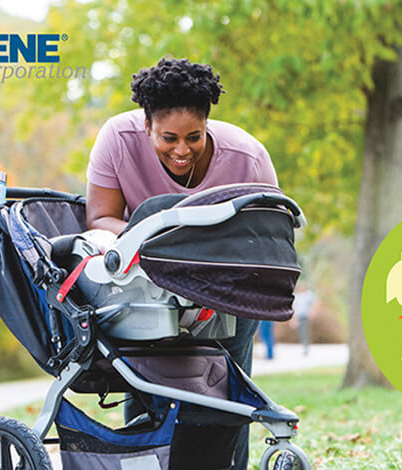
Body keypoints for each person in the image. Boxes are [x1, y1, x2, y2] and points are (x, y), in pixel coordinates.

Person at [85, 57, 278, 470]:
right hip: (147, 283)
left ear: (208, 123)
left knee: (227, 395)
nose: (181, 150)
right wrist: (164, 242)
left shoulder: (247, 157)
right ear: (146, 125)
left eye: (194, 137)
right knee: (144, 384)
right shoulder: (118, 140)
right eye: (168, 137)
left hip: (226, 289)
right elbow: (100, 218)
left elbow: (266, 240)